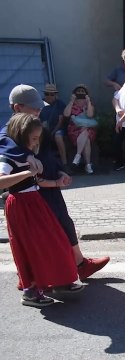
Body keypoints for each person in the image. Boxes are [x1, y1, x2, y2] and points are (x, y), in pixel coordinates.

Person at [3, 85, 110, 285]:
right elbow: (3, 143)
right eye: (34, 108)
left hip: (50, 186)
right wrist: (26, 155)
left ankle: (77, 265)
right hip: (33, 193)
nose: (39, 111)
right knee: (45, 236)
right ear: (17, 108)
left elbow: (50, 153)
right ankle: (36, 277)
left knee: (64, 224)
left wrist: (61, 170)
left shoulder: (37, 127)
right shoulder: (9, 132)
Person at [0, 113, 83, 307]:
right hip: (21, 205)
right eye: (34, 138)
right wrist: (27, 172)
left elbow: (35, 182)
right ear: (22, 134)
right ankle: (31, 291)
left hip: (35, 202)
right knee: (30, 248)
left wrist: (55, 182)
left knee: (56, 241)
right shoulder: (8, 157)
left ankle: (59, 280)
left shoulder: (25, 153)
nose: (37, 142)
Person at [63, 84, 96, 174]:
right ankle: (88, 165)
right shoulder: (72, 104)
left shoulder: (88, 105)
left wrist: (88, 102)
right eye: (78, 91)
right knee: (87, 140)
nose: (80, 93)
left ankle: (77, 157)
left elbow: (90, 115)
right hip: (74, 129)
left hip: (88, 128)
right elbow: (66, 114)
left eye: (82, 91)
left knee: (85, 132)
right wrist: (71, 101)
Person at [39, 84, 68, 169]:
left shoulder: (60, 104)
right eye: (47, 94)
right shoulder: (40, 104)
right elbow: (38, 119)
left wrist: (52, 132)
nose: (49, 96)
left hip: (58, 128)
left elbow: (60, 121)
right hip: (44, 129)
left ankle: (64, 164)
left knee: (58, 136)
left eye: (52, 94)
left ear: (55, 95)